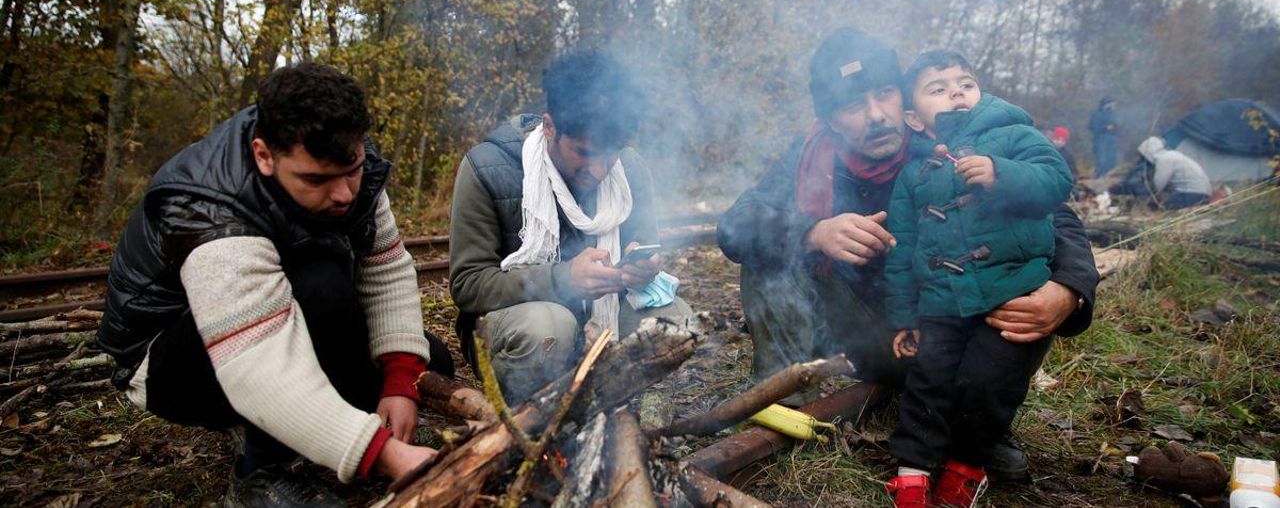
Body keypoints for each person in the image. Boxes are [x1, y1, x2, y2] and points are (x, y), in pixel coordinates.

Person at [716, 27, 1098, 482]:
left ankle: (979, 427)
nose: (877, 115)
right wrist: (815, 231)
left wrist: (1070, 290)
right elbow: (735, 224)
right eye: (855, 105)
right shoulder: (810, 156)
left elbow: (1056, 213)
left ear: (906, 101)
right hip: (864, 333)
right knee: (768, 249)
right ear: (833, 119)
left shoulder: (950, 140)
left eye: (885, 94)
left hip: (956, 333)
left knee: (1017, 274)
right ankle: (780, 402)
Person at [98, 63, 453, 507]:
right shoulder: (207, 207)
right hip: (173, 362)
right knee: (320, 282)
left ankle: (312, 427)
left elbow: (385, 267)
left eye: (352, 171)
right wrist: (385, 456)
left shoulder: (345, 157)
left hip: (282, 321)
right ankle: (260, 472)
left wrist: (400, 379)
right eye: (316, 180)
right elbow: (256, 364)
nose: (344, 194)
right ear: (265, 155)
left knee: (427, 360)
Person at [882, 50, 1073, 507]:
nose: (956, 92)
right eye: (938, 88)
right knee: (928, 380)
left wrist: (1001, 173)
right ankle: (912, 467)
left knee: (986, 385)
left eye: (965, 83)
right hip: (942, 302)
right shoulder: (912, 175)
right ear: (913, 117)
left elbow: (1057, 180)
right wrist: (904, 317)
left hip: (1009, 296)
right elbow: (902, 247)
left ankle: (968, 464)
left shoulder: (1013, 134)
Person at [448, 50, 693, 405]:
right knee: (550, 327)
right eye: (584, 153)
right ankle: (531, 418)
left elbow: (644, 252)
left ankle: (622, 408)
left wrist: (639, 270)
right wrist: (563, 279)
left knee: (676, 320)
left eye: (610, 154)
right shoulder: (488, 169)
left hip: (605, 320)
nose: (599, 171)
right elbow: (468, 286)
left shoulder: (630, 170)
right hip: (521, 330)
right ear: (550, 127)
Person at [1136, 136, 1212, 209]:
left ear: (1149, 152)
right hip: (1202, 194)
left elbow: (1158, 185)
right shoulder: (1171, 155)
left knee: (1160, 206)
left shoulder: (1164, 159)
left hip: (1193, 195)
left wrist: (1145, 193)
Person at [1089, 96, 1119, 178]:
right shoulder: (1097, 114)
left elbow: (1118, 125)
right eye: (1112, 104)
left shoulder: (1113, 114)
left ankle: (1110, 175)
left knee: (1112, 158)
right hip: (1100, 140)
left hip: (1112, 139)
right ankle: (1100, 176)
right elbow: (1092, 127)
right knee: (1101, 159)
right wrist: (1105, 127)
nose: (1114, 106)